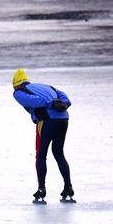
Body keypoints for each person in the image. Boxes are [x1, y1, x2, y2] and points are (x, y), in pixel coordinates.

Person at [11, 68, 73, 201]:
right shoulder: (47, 86)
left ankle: (41, 189)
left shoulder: (18, 92)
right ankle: (68, 186)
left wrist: (49, 104)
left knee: (41, 155)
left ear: (16, 84)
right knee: (59, 153)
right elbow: (64, 96)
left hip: (47, 121)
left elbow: (32, 100)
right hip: (63, 119)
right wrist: (64, 104)